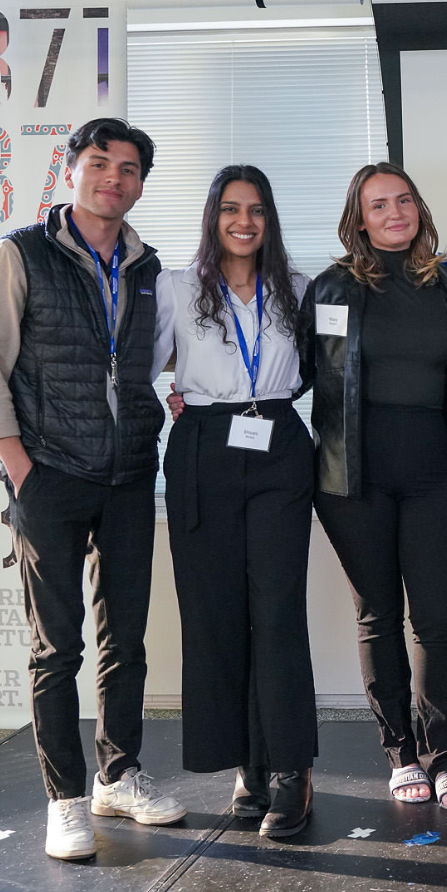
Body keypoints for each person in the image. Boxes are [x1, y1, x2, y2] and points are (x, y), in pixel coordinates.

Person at [0, 117, 185, 860]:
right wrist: (22, 469)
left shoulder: (150, 267)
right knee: (56, 649)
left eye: (127, 169)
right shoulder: (18, 254)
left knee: (126, 639)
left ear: (141, 184)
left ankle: (118, 774)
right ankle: (64, 800)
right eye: (100, 164)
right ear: (72, 170)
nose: (113, 179)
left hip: (127, 476)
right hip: (50, 477)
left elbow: (150, 361)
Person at [305, 161, 447, 811]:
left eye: (404, 201)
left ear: (420, 210)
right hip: (353, 479)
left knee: (436, 621)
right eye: (379, 205)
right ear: (359, 219)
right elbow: (289, 371)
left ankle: (445, 758)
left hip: (433, 475)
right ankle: (401, 754)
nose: (395, 213)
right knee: (378, 616)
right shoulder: (328, 290)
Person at [153, 165, 317, 838]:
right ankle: (246, 767)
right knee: (216, 613)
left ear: (269, 218)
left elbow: (319, 369)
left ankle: (290, 770)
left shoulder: (300, 290)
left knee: (276, 609)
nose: (243, 221)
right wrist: (171, 401)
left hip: (277, 439)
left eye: (254, 209)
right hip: (203, 447)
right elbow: (144, 366)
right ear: (212, 217)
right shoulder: (174, 288)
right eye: (229, 209)